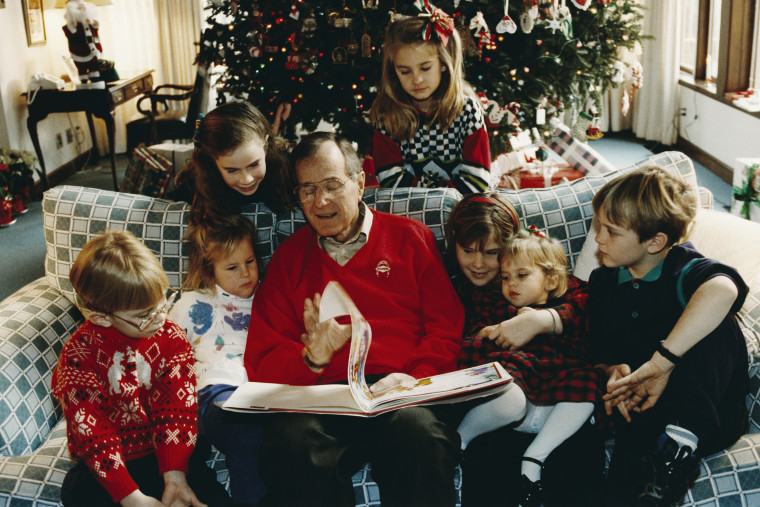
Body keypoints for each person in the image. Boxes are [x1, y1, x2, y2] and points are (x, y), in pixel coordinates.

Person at [243, 131, 465, 506]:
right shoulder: (289, 259)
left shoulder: (411, 239)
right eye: (307, 190)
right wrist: (310, 357)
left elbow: (446, 328)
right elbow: (261, 360)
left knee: (419, 432)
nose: (321, 201)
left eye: (332, 185)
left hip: (399, 393)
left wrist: (414, 379)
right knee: (290, 442)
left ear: (360, 182)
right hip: (322, 398)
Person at [588, 166, 749, 506]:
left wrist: (662, 362)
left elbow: (723, 289)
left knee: (715, 315)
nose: (598, 238)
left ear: (655, 242)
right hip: (642, 411)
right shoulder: (603, 283)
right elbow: (598, 353)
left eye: (611, 231)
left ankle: (680, 442)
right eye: (597, 225)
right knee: (619, 490)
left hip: (706, 417)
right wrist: (610, 371)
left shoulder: (683, 268)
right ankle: (659, 463)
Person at [444, 192, 604, 506]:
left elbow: (589, 304)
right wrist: (490, 336)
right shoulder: (456, 289)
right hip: (501, 400)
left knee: (580, 451)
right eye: (467, 251)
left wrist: (546, 319)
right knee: (493, 461)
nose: (479, 264)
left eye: (492, 253)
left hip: (556, 396)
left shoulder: (548, 280)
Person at [51, 230, 231, 507]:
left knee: (212, 497)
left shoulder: (171, 337)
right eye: (144, 315)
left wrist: (175, 477)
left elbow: (176, 410)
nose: (161, 317)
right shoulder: (78, 356)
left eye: (163, 302)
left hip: (169, 455)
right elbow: (93, 433)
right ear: (101, 316)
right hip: (112, 462)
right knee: (78, 493)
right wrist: (131, 498)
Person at [168, 215, 266, 506]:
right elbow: (164, 349)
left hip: (265, 391)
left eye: (250, 262)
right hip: (216, 391)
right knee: (246, 433)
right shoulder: (191, 302)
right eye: (232, 268)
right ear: (210, 272)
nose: (246, 273)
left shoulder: (268, 294)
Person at [369, 11, 491, 194]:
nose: (417, 79)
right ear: (394, 71)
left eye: (425, 68)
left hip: (464, 211)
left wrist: (436, 196)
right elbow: (391, 183)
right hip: (410, 212)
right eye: (405, 71)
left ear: (443, 63)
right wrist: (438, 195)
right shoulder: (388, 116)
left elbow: (477, 180)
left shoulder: (467, 111)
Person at [172, 101, 293, 224]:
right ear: (212, 161)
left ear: (266, 145)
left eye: (254, 164)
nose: (246, 180)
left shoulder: (287, 170)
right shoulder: (194, 186)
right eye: (232, 170)